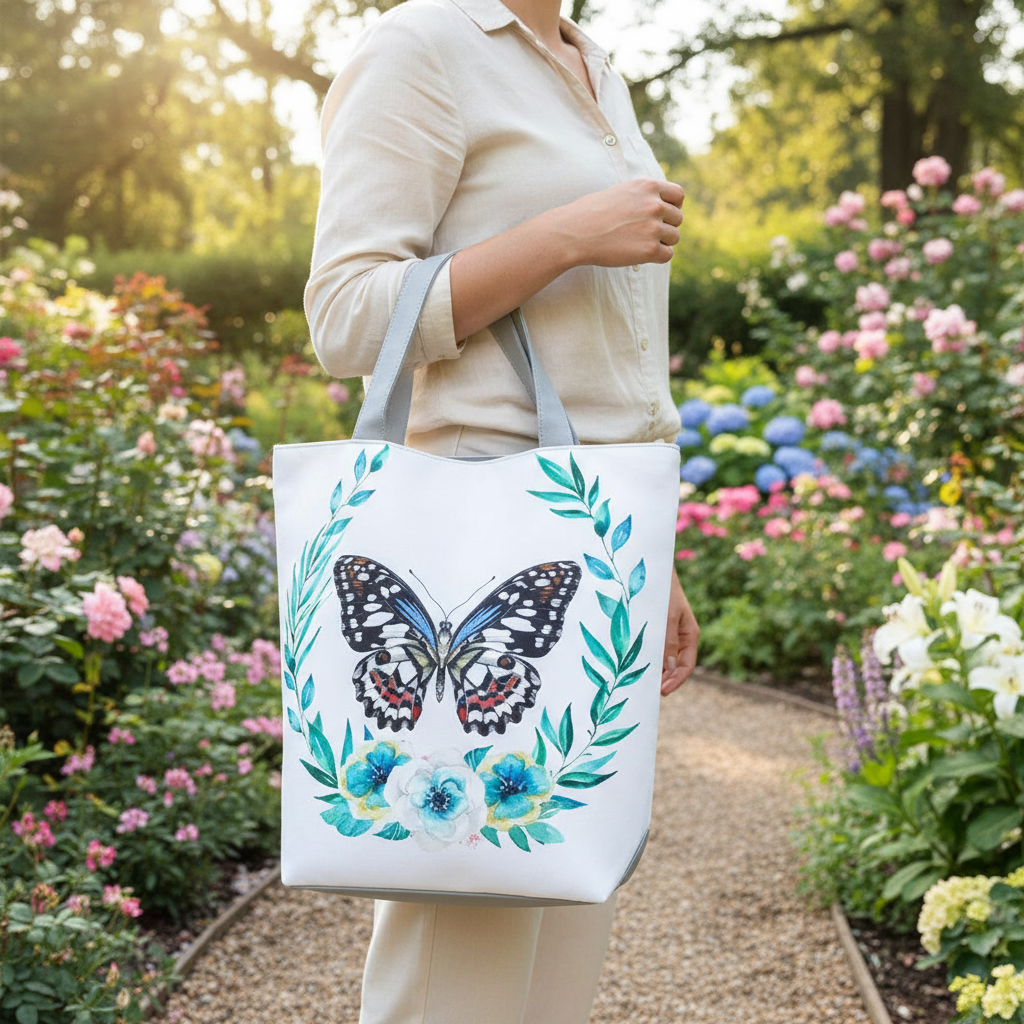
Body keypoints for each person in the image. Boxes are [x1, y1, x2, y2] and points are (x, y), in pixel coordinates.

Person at [303, 0, 700, 1021]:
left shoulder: (589, 59)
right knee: (462, 929)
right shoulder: (421, 46)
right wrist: (563, 235)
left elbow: (601, 357)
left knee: (564, 910)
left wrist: (644, 557)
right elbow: (346, 316)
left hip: (584, 535)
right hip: (470, 538)